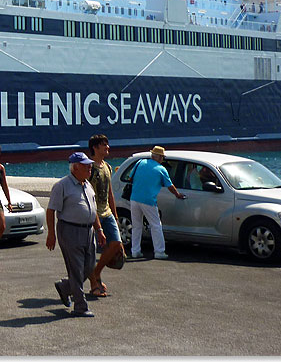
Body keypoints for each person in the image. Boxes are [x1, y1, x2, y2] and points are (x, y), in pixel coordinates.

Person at [46, 152, 106, 317]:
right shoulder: (62, 185)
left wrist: (99, 230)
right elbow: (50, 210)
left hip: (89, 230)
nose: (89, 168)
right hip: (70, 230)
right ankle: (81, 306)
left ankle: (65, 287)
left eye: (89, 165)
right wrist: (51, 234)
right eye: (86, 165)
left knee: (88, 267)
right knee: (76, 269)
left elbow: (93, 211)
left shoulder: (87, 185)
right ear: (75, 167)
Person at [128, 146, 187, 260]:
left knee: (136, 226)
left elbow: (130, 178)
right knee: (156, 226)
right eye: (162, 157)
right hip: (148, 200)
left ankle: (135, 251)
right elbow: (170, 186)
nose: (163, 159)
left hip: (134, 198)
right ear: (159, 157)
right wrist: (178, 195)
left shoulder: (140, 162)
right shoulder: (161, 169)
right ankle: (159, 252)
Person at [86, 134, 124, 297]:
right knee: (91, 252)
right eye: (104, 145)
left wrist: (115, 214)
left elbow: (110, 193)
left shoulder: (107, 166)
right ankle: (94, 284)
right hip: (92, 215)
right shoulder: (89, 168)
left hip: (107, 213)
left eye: (107, 144)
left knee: (116, 243)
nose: (107, 147)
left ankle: (96, 272)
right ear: (95, 148)